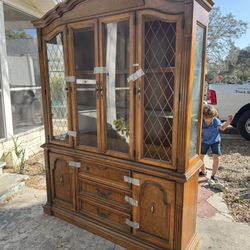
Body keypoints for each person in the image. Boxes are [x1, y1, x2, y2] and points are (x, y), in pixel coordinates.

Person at [199, 105, 233, 183]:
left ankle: (213, 175)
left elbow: (222, 128)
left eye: (211, 118)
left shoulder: (216, 121)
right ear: (203, 116)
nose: (209, 120)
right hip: (204, 141)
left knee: (216, 157)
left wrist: (228, 122)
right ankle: (203, 171)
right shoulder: (201, 121)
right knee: (200, 156)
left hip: (215, 141)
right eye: (206, 119)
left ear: (214, 116)